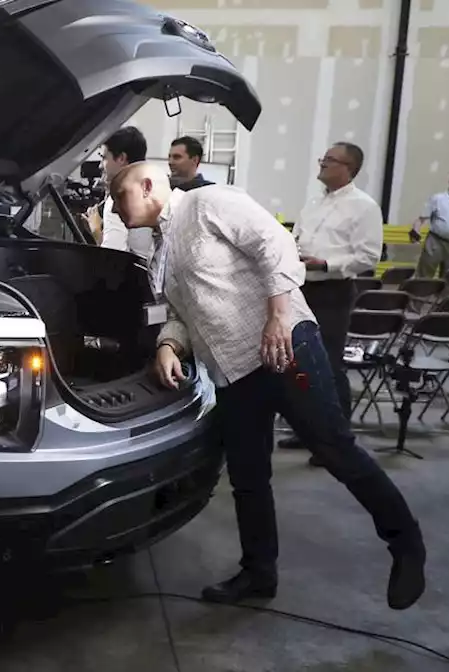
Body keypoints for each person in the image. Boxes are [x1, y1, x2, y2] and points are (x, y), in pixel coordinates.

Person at [110, 161, 425, 610]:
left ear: (146, 185)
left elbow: (274, 243)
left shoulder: (208, 202)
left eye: (119, 195)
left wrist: (278, 315)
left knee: (335, 448)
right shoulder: (159, 249)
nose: (115, 206)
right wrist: (167, 345)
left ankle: (406, 543)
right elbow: (178, 313)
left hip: (286, 352)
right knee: (248, 478)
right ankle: (259, 573)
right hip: (233, 374)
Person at [279, 143, 382, 460]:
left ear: (349, 168)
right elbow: (297, 237)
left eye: (330, 160)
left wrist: (324, 264)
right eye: (322, 158)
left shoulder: (364, 207)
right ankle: (307, 430)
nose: (322, 164)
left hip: (333, 291)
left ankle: (336, 442)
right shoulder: (313, 202)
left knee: (329, 366)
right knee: (299, 362)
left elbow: (368, 257)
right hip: (302, 288)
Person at [95, 127, 154, 263]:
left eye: (104, 157)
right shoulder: (156, 187)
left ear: (121, 158)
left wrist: (96, 230)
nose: (100, 166)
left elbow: (112, 259)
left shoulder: (119, 198)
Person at [408, 172, 449, 278]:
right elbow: (421, 219)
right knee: (425, 274)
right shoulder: (438, 199)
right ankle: (422, 294)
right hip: (436, 242)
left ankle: (445, 295)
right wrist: (416, 230)